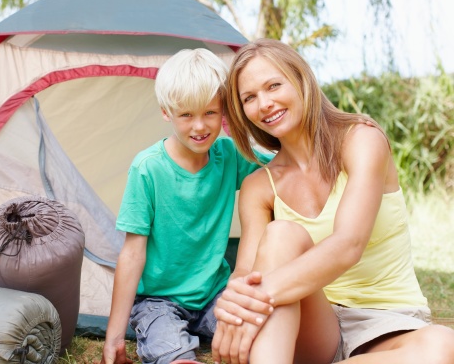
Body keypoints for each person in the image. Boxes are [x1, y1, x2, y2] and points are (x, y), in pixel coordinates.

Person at [210, 38, 454, 363]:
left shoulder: (362, 140)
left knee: (442, 345)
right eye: (250, 98)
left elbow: (348, 244)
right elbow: (245, 270)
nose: (265, 103)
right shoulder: (259, 186)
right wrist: (234, 298)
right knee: (282, 234)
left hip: (388, 326)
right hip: (311, 327)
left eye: (274, 86)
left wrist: (259, 294)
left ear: (301, 80)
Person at [99, 48, 274, 364]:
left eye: (210, 113)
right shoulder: (148, 169)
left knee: (255, 340)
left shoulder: (228, 155)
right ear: (166, 113)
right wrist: (114, 336)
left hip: (216, 294)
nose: (199, 127)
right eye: (186, 115)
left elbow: (282, 164)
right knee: (176, 356)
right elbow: (133, 252)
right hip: (158, 300)